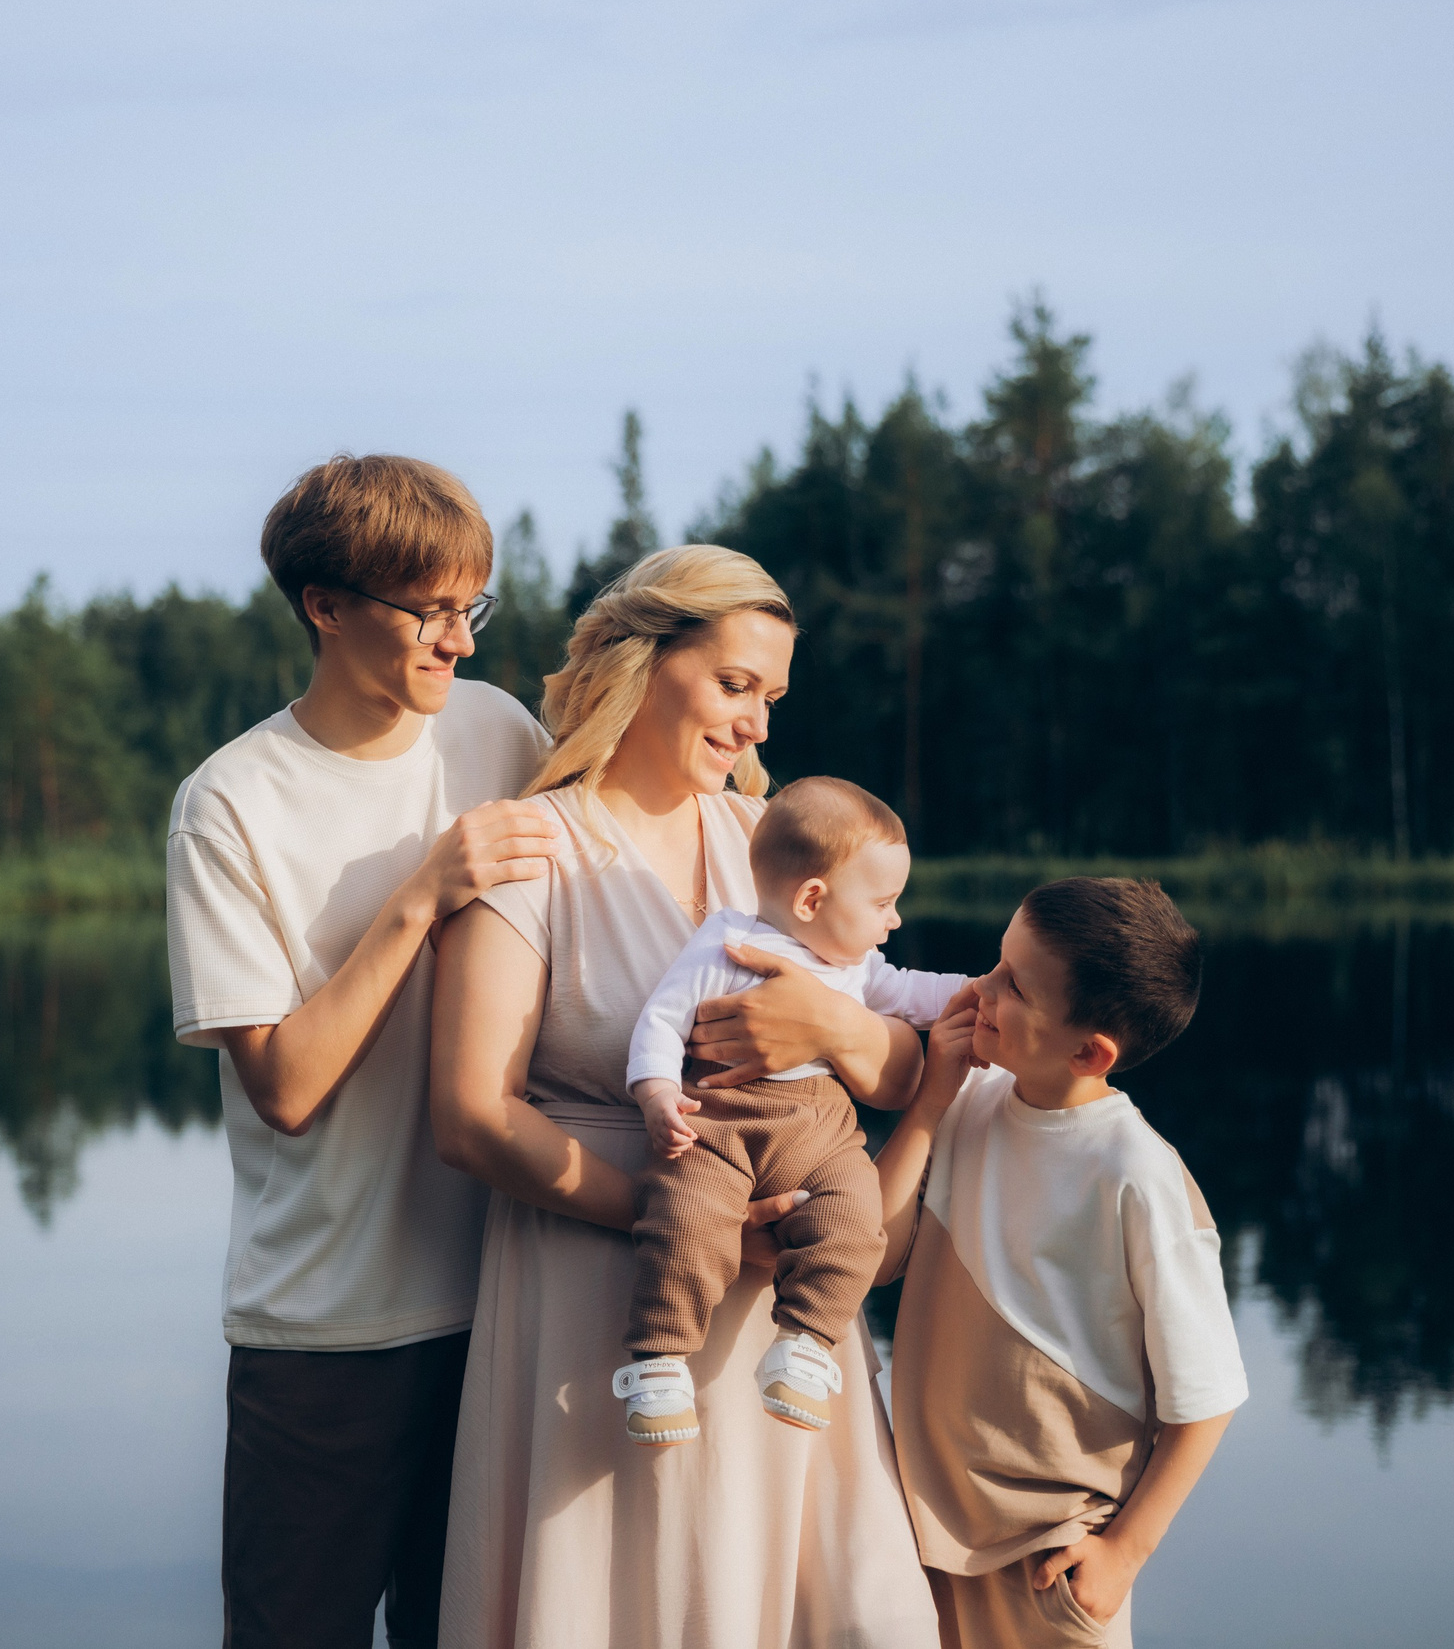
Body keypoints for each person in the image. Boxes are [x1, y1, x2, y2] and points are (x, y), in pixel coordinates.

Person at [428, 546, 942, 1649]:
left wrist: (835, 1028)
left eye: (772, 696)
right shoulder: (538, 847)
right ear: (641, 664)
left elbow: (906, 1068)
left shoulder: (777, 841)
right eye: (734, 683)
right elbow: (469, 1112)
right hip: (591, 1277)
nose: (758, 722)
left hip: (775, 1315)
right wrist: (681, 1217)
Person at [165, 454, 559, 1649]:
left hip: (504, 1307)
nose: (460, 643)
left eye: (470, 608)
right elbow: (283, 1083)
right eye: (429, 611)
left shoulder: (499, 732)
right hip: (324, 1340)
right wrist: (419, 894)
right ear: (324, 606)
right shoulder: (230, 801)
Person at [873, 877, 1247, 1649]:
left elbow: (1205, 1400)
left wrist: (1122, 1556)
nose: (981, 989)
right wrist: (928, 1107)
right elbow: (873, 1261)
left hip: (1048, 1561)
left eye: (1013, 986)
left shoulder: (1135, 1174)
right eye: (994, 963)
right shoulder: (970, 1103)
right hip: (918, 1533)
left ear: (1089, 1051)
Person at [614, 776, 967, 1445]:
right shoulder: (724, 944)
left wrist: (979, 994)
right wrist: (657, 1091)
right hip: (717, 1122)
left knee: (854, 1218)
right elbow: (661, 1020)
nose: (893, 921)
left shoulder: (859, 969)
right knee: (682, 1217)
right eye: (884, 904)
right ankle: (659, 1359)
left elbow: (918, 994)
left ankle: (805, 1342)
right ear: (813, 898)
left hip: (820, 1134)